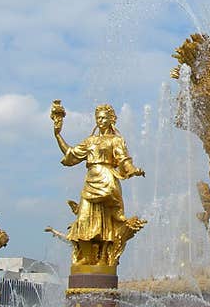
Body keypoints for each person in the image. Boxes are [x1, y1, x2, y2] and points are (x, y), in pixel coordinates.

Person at [53, 102, 145, 266]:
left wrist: (133, 169)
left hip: (107, 180)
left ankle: (104, 257)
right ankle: (88, 257)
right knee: (84, 218)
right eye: (98, 118)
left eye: (103, 117)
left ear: (111, 119)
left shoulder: (116, 140)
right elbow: (71, 154)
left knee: (108, 220)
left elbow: (124, 160)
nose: (100, 121)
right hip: (91, 180)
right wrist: (57, 134)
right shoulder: (90, 141)